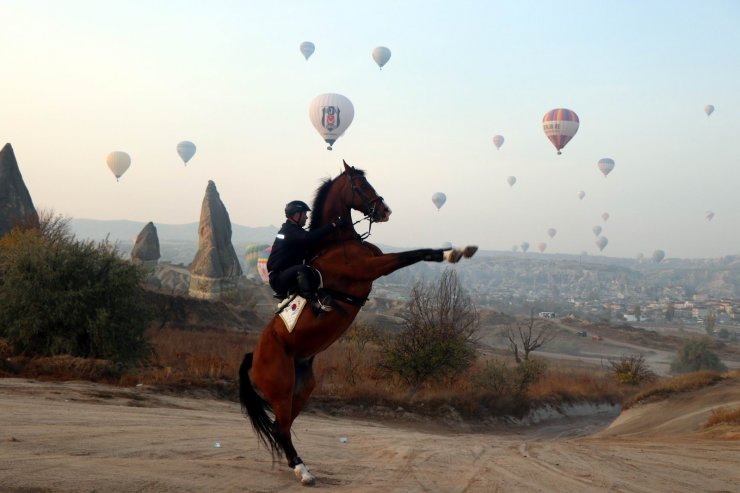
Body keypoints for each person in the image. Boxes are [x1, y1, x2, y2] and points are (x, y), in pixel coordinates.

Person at [267, 200, 341, 312]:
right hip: (279, 279)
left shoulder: (296, 231)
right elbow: (309, 238)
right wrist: (333, 225)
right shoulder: (288, 230)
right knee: (301, 269)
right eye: (305, 214)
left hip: (289, 275)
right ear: (296, 214)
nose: (306, 217)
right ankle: (313, 303)